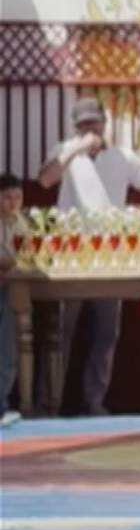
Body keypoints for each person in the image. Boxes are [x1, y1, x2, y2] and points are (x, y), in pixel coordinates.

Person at [36, 97, 140, 415]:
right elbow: (45, 179)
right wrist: (75, 149)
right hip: (69, 254)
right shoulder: (64, 150)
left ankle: (94, 401)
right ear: (75, 127)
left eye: (94, 122)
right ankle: (49, 401)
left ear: (105, 123)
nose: (90, 129)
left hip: (109, 255)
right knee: (61, 332)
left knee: (106, 333)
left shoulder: (124, 156)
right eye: (83, 124)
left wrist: (137, 219)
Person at [1, 173, 22, 427]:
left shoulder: (20, 223)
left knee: (7, 350)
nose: (13, 203)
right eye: (7, 197)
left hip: (9, 289)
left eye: (18, 197)